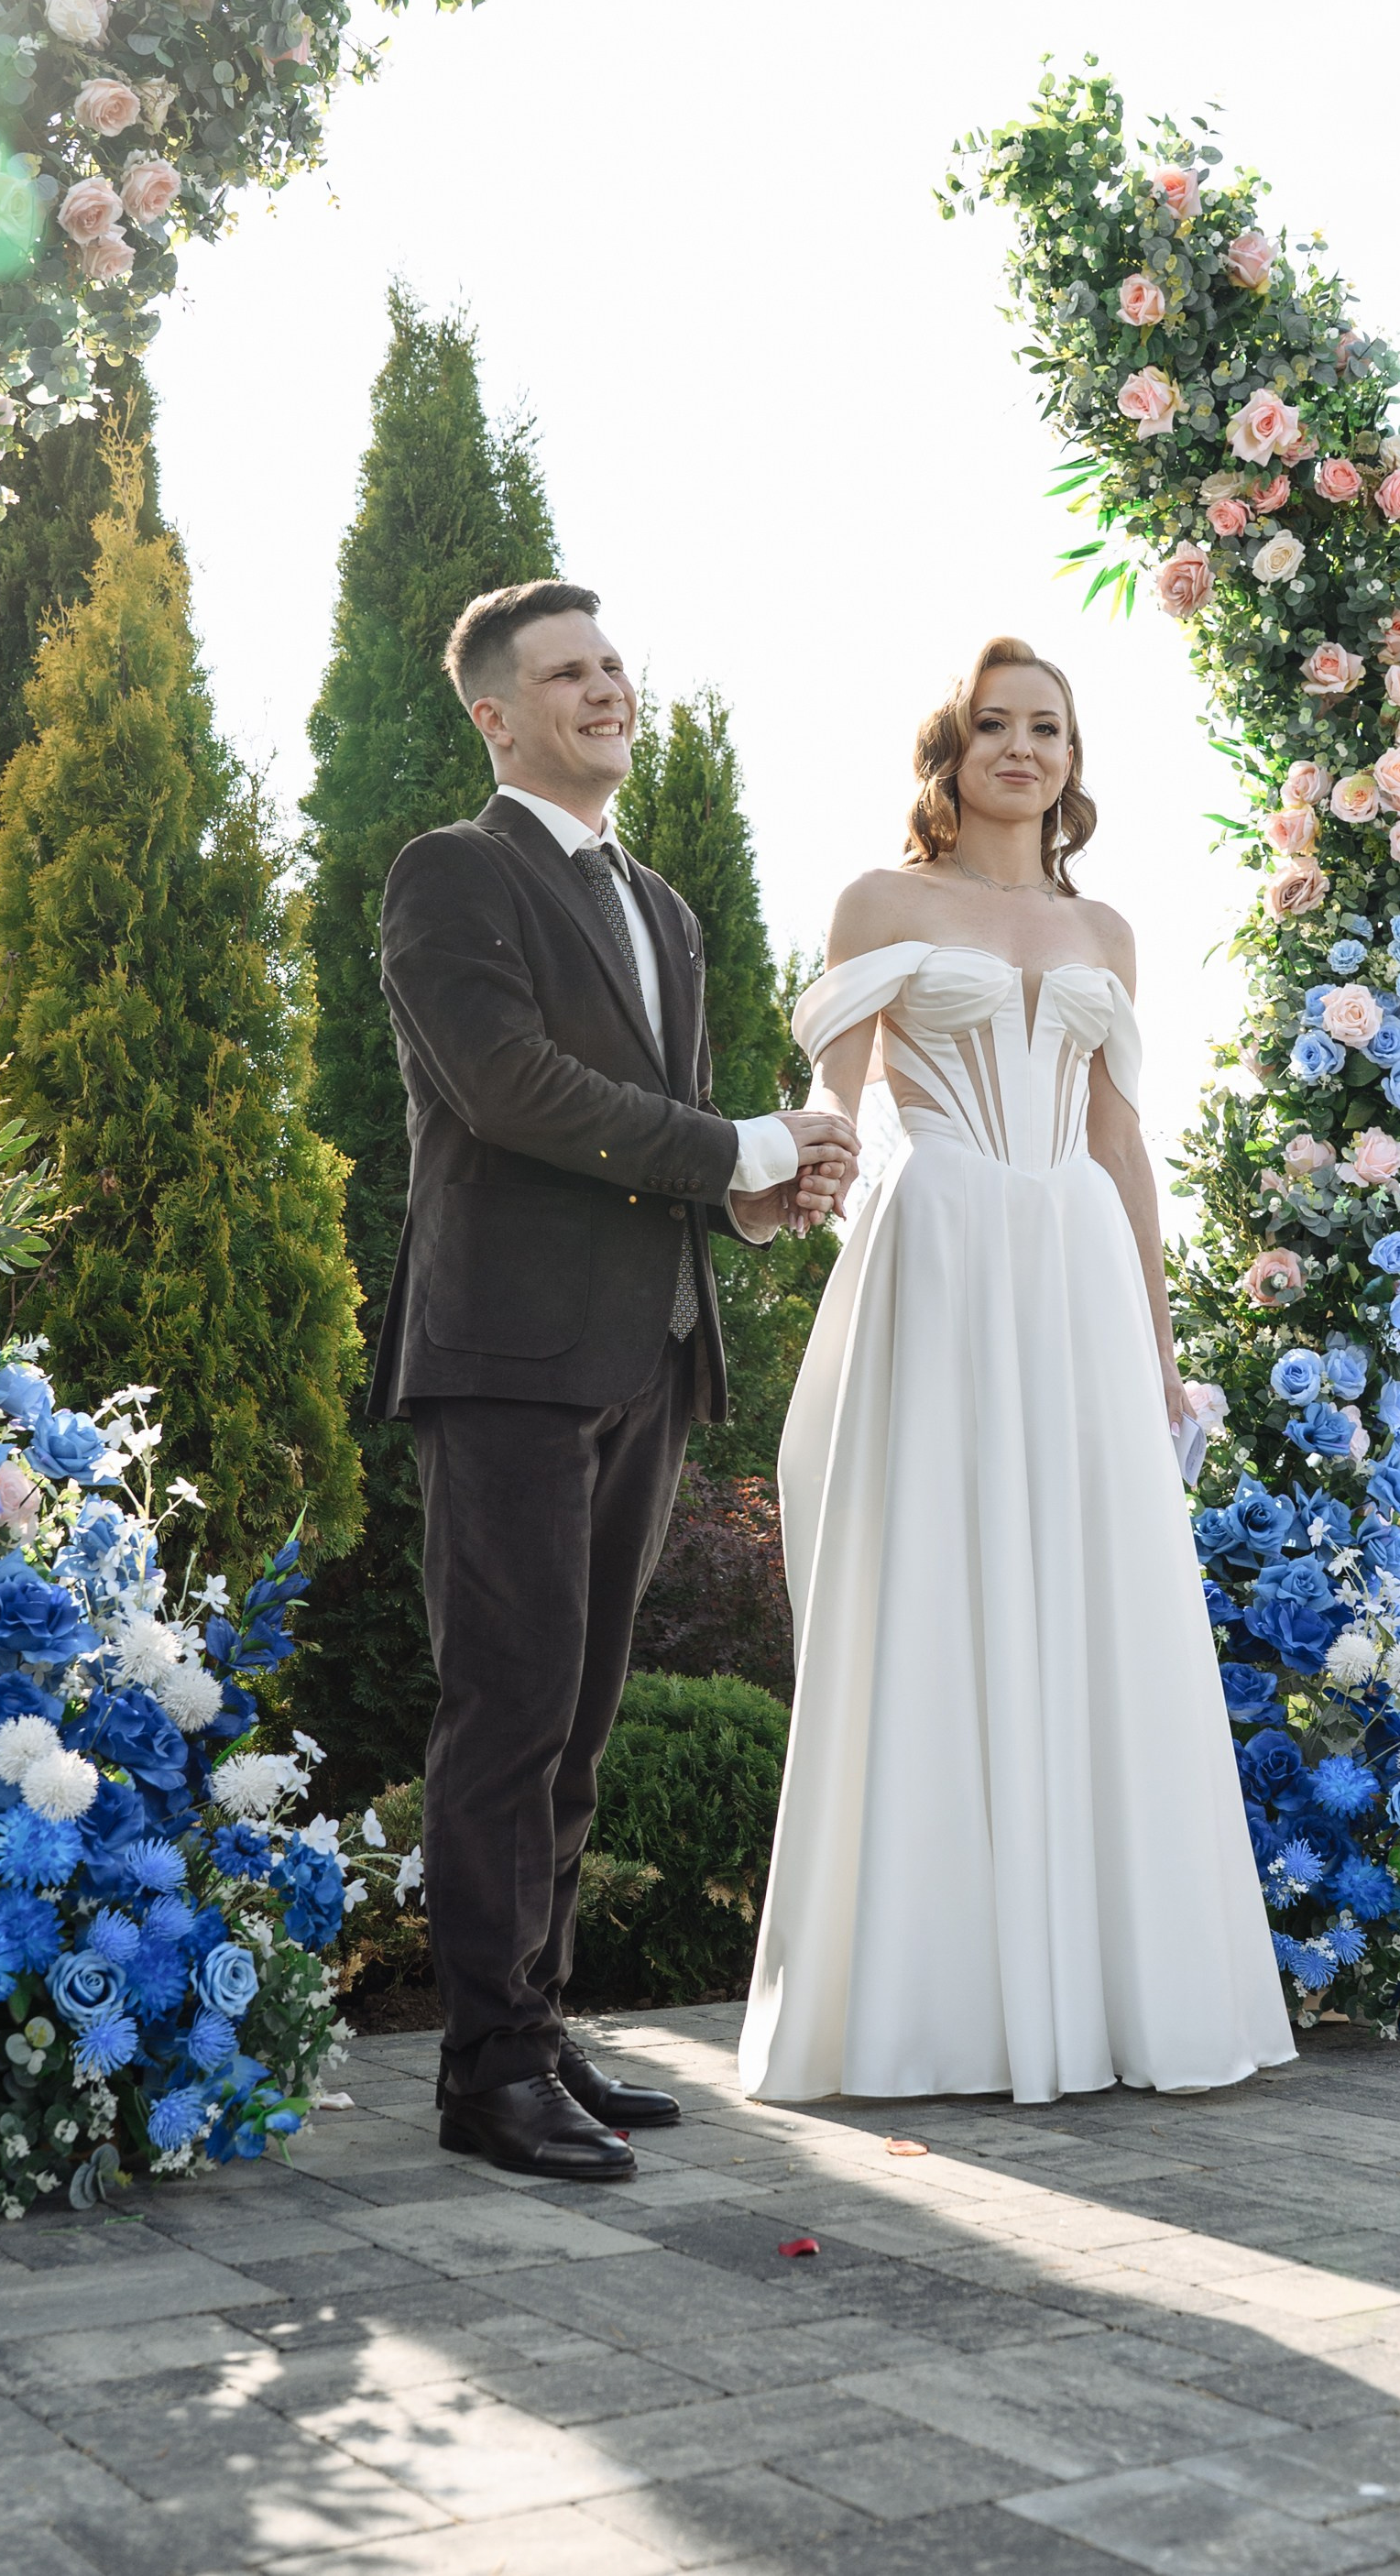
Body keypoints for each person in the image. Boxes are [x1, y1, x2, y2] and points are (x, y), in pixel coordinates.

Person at [738, 635, 1295, 2107]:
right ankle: (933, 2006)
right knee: (941, 1574)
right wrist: (795, 1175)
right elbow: (829, 1092)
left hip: (1076, 1267)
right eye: (993, 725)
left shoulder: (1105, 929)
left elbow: (1119, 1145)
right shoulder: (882, 902)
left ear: (1071, 758)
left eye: (1047, 726)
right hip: (940, 1244)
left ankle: (1111, 1995)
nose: (1022, 748)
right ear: (951, 751)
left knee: (1093, 1589)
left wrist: (1159, 1355)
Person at [374, 579, 860, 2178]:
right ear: (493, 715)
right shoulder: (454, 871)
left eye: (611, 665)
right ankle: (486, 2074)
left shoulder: (660, 906)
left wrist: (746, 1199)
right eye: (564, 674)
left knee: (576, 1724)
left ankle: (539, 2023)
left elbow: (656, 1138)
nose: (603, 689)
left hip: (647, 1346)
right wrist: (737, 1146)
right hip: (506, 1354)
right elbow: (508, 1089)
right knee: (507, 1711)